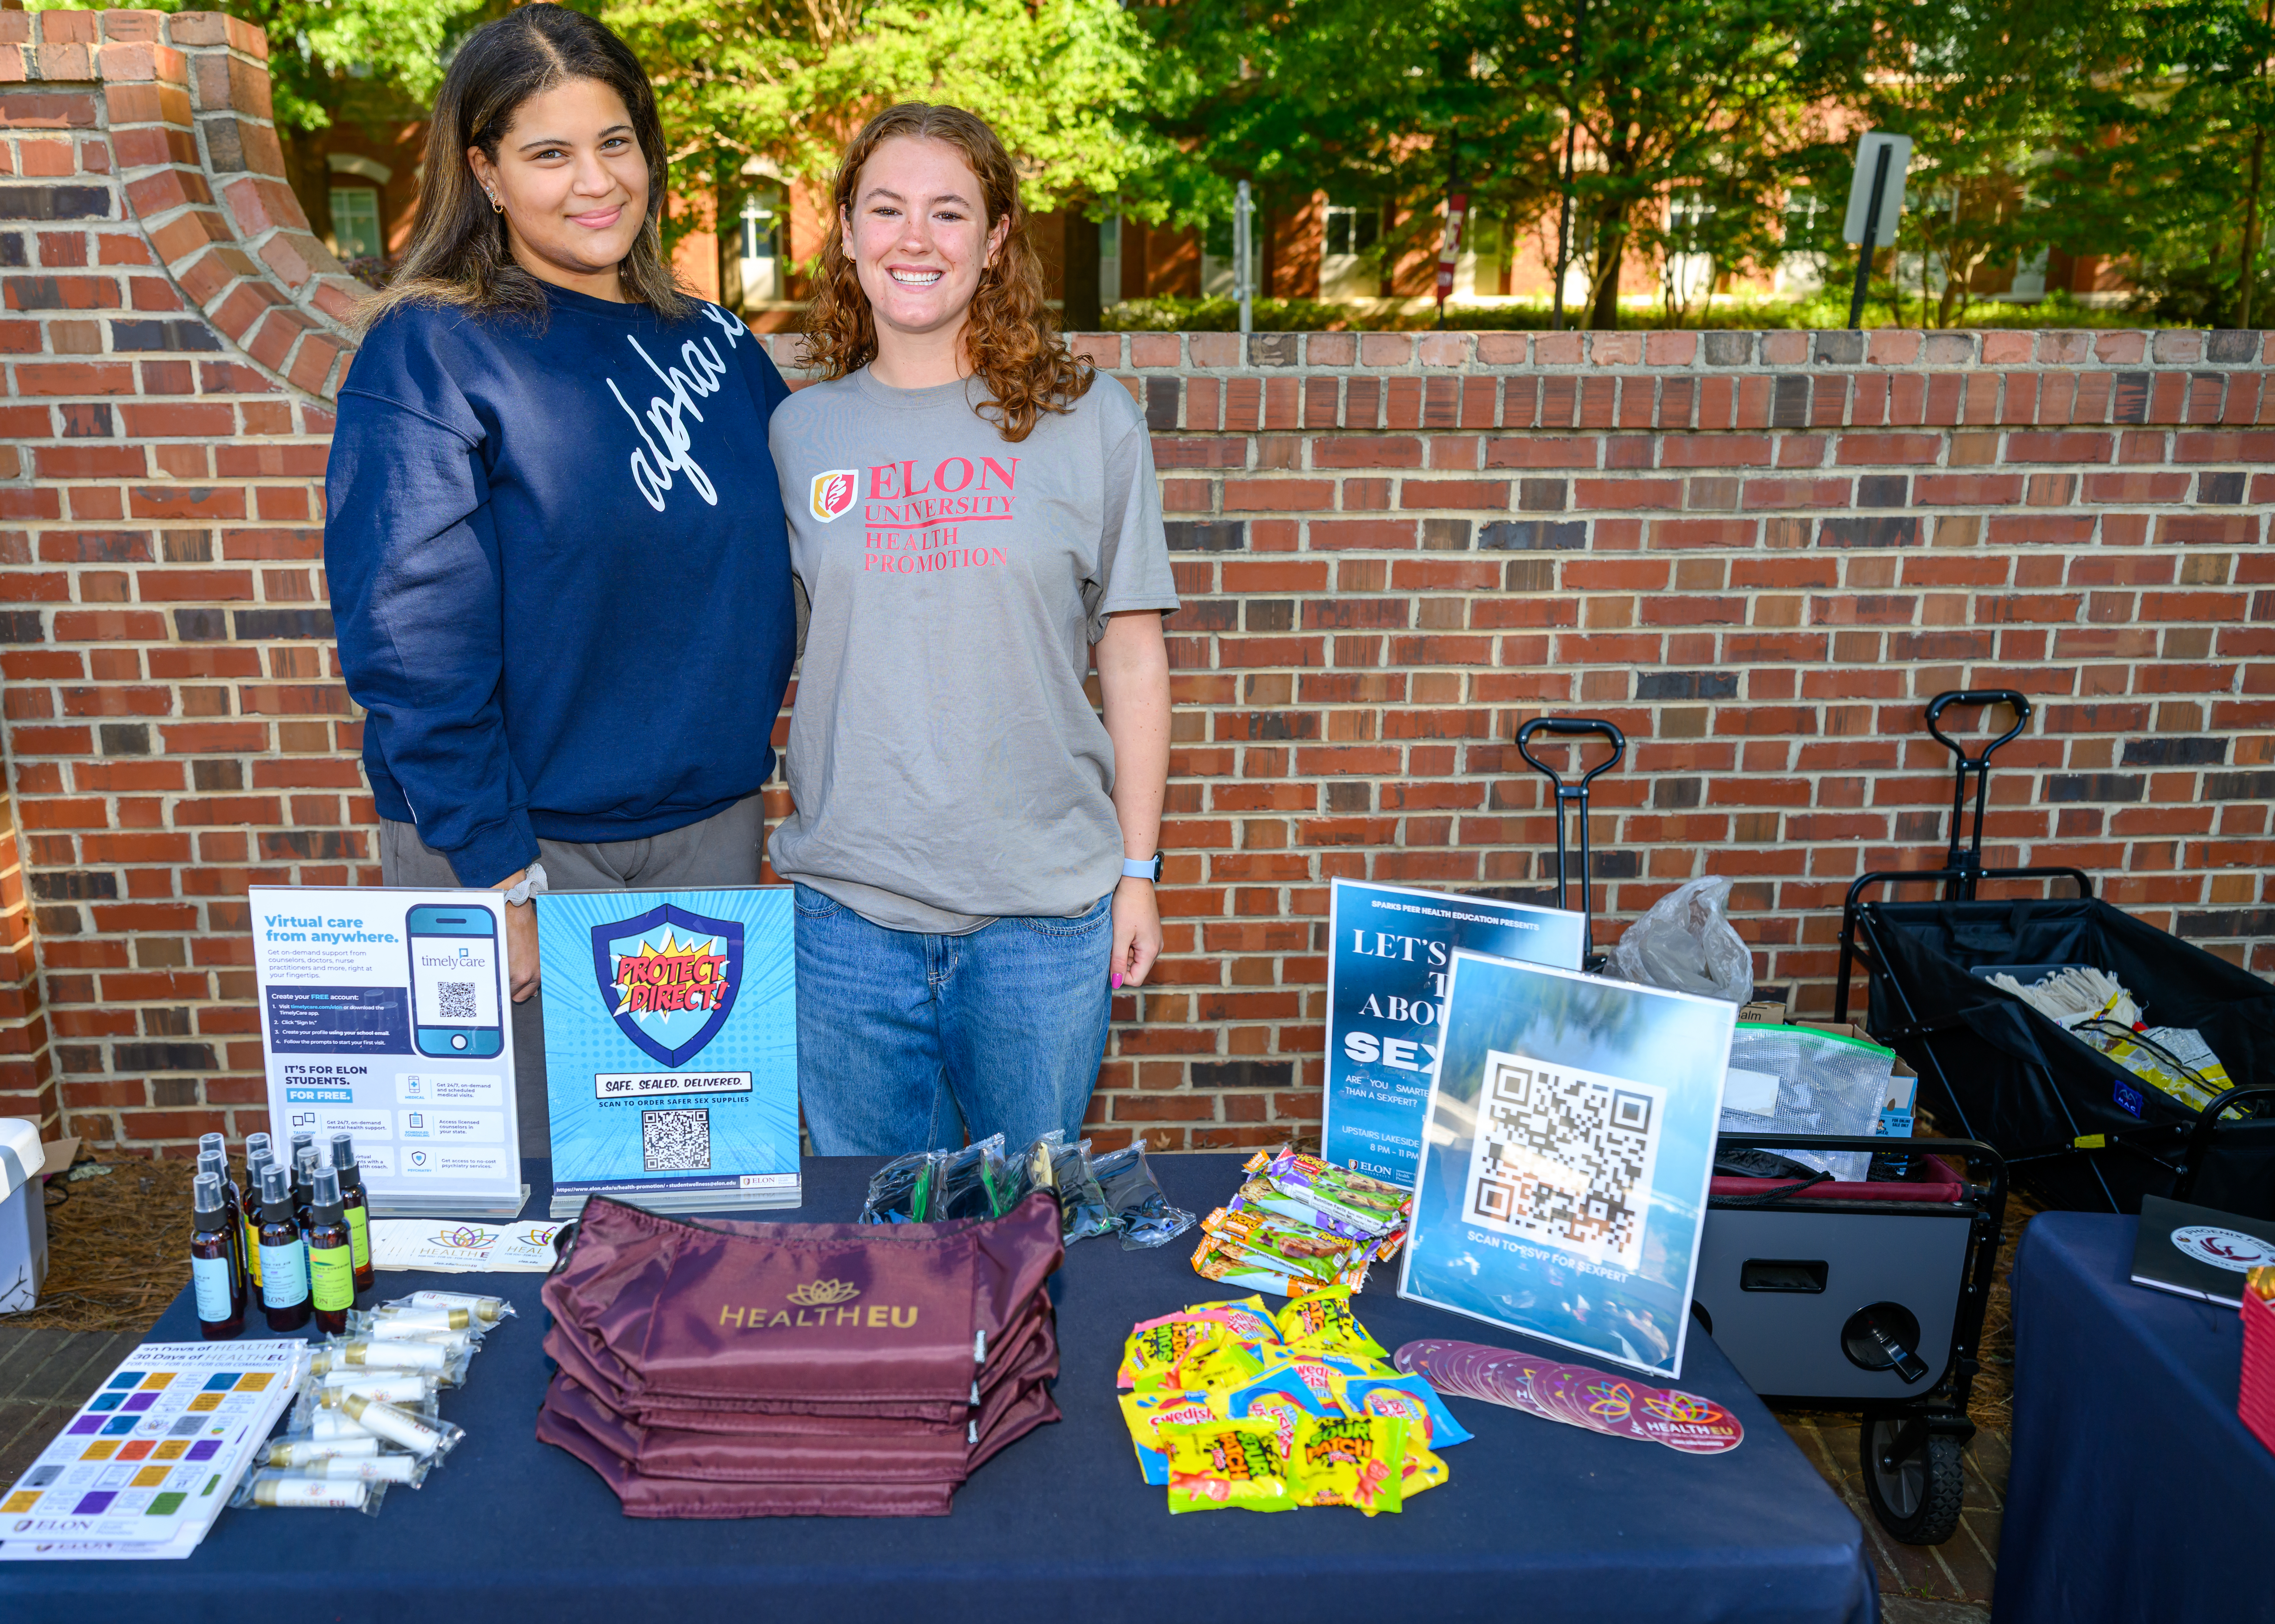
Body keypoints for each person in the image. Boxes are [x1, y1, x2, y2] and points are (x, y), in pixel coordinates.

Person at [324, 5, 796, 1153]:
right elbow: (408, 636)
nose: (596, 182)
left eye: (617, 142)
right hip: (517, 841)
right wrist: (500, 882)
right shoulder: (435, 349)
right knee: (536, 1196)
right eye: (549, 153)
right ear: (482, 170)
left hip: (707, 834)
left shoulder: (723, 348)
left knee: (695, 1171)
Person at [769, 103, 1176, 1156]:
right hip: (848, 917)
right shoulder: (799, 432)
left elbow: (1132, 658)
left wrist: (1140, 875)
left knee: (1027, 1233)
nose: (917, 239)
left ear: (996, 239)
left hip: (1043, 920)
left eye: (949, 212)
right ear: (848, 233)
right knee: (881, 1261)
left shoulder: (1089, 417)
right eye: (887, 209)